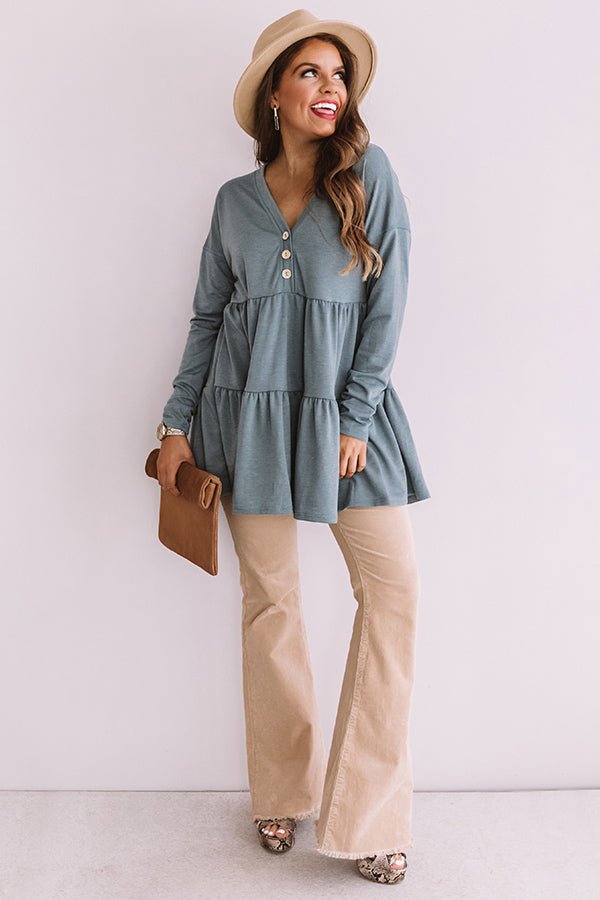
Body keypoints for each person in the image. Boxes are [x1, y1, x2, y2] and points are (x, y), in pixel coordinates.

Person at [155, 9, 431, 886]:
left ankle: (370, 816)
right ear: (273, 94)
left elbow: (387, 307)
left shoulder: (368, 175)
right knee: (270, 606)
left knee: (393, 593)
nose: (328, 89)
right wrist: (174, 423)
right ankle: (281, 789)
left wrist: (355, 417)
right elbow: (207, 319)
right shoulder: (232, 203)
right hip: (243, 424)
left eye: (338, 75)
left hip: (349, 425)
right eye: (309, 73)